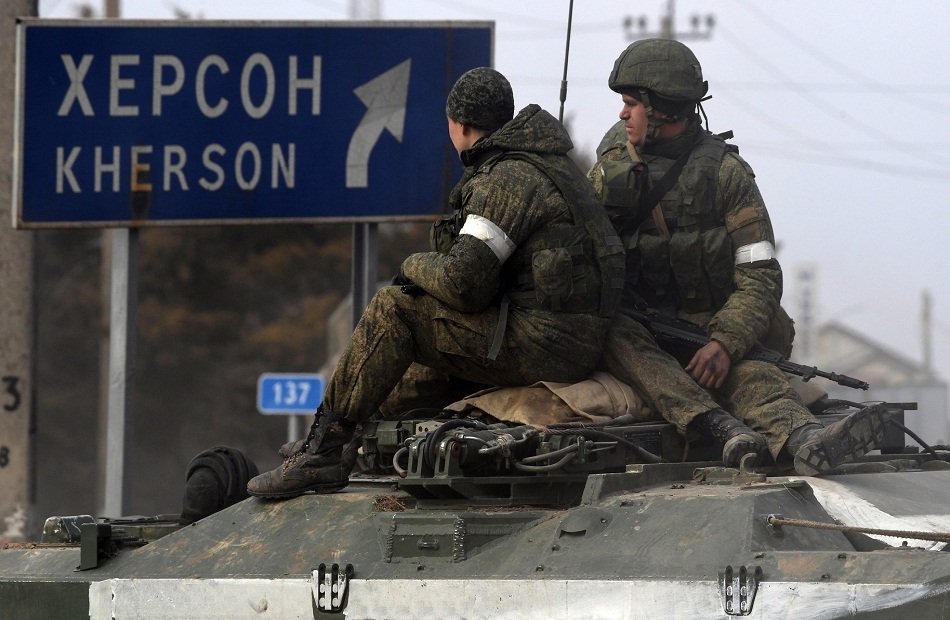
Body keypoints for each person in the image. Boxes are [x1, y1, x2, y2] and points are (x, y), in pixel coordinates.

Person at [248, 67, 624, 498]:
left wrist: (412, 265)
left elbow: (465, 285)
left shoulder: (508, 179)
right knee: (396, 379)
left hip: (544, 343)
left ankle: (323, 456)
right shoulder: (548, 166)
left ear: (460, 125)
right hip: (562, 337)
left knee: (394, 309)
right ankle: (338, 440)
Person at [589, 39, 889, 475]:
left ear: (662, 110)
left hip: (707, 327)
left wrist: (724, 344)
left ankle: (807, 441)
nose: (622, 114)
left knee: (754, 376)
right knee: (619, 337)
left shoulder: (726, 175)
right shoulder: (610, 161)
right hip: (639, 328)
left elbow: (760, 276)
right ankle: (719, 425)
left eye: (632, 104)